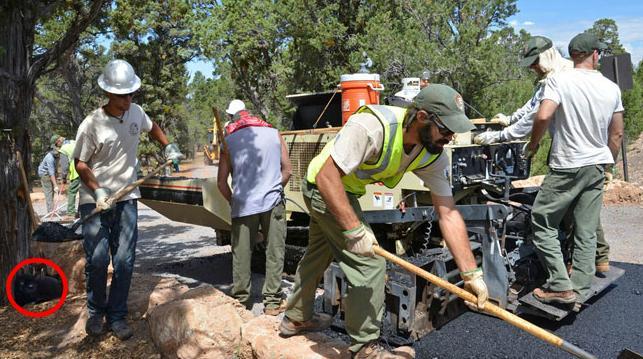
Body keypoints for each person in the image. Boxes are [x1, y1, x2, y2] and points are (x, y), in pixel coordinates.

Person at [280, 84, 489, 358]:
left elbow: (448, 212)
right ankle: (365, 347)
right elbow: (326, 177)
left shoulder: (432, 152)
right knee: (370, 262)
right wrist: (355, 231)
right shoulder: (372, 126)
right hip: (324, 186)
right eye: (446, 129)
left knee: (318, 255)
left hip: (347, 189)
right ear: (422, 117)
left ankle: (295, 317)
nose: (450, 137)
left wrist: (471, 274)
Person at [473, 36, 611, 273]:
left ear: (547, 55)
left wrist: (501, 136)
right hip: (595, 154)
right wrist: (509, 119)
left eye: (534, 61)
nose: (531, 67)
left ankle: (567, 272)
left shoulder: (560, 77)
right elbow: (531, 106)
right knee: (585, 212)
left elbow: (538, 116)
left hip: (571, 154)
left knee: (554, 214)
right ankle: (600, 258)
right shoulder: (561, 74)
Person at [73, 59, 184, 340]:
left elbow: (153, 126)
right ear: (109, 93)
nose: (128, 99)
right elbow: (80, 163)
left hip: (126, 198)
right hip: (95, 199)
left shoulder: (136, 112)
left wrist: (168, 146)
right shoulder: (91, 124)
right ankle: (96, 313)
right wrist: (98, 191)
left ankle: (118, 315)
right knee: (98, 260)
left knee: (124, 260)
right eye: (122, 94)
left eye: (131, 93)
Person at [525, 32, 624, 304]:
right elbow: (616, 135)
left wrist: (533, 145)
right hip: (595, 164)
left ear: (573, 54)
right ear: (594, 54)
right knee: (586, 228)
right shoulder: (610, 87)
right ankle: (579, 288)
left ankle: (558, 283)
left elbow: (544, 114)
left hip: (567, 165)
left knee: (542, 221)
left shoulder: (559, 80)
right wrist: (608, 166)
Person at [217, 100, 292, 315]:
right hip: (273, 203)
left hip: (243, 204)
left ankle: (241, 302)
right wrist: (274, 190)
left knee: (242, 253)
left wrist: (233, 200)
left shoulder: (229, 140)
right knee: (274, 251)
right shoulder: (275, 133)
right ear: (248, 113)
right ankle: (272, 302)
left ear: (233, 116)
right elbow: (287, 170)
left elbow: (221, 182)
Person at [53, 136, 81, 220]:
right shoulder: (73, 141)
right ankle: (80, 212)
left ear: (58, 141)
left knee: (72, 192)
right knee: (83, 192)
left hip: (77, 171)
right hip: (87, 168)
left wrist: (64, 178)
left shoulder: (63, 149)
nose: (57, 147)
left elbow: (64, 167)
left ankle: (70, 213)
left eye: (56, 145)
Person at [38, 135, 63, 214]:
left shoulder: (56, 156)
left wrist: (58, 176)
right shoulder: (50, 158)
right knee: (49, 192)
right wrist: (55, 185)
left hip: (50, 173)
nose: (58, 154)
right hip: (45, 175)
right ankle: (50, 211)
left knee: (51, 192)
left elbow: (55, 169)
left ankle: (52, 209)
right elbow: (51, 172)